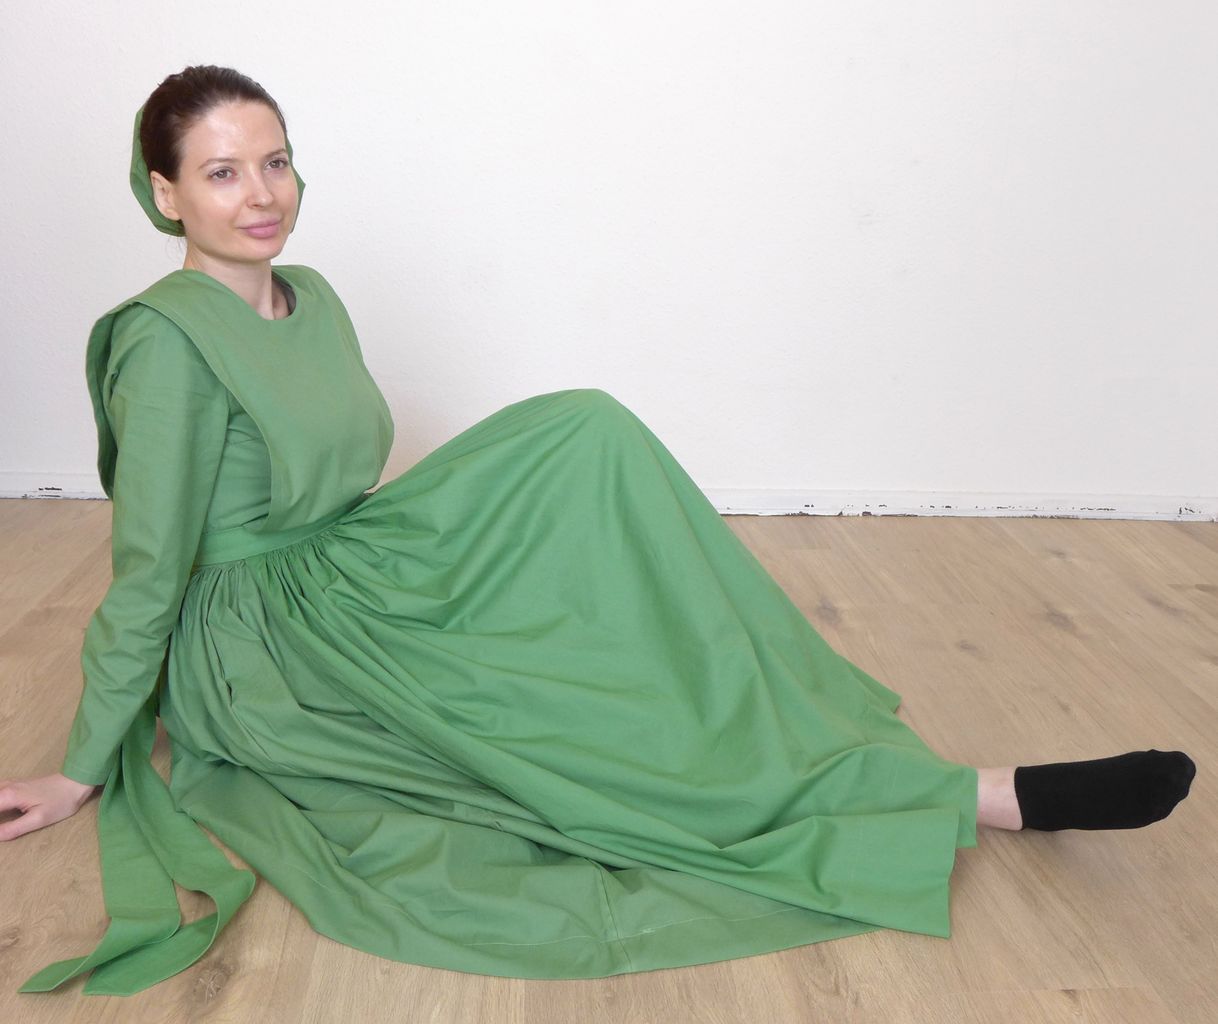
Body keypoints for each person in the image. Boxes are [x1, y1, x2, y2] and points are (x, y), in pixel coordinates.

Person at [2, 65, 1195, 997]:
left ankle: (885, 768)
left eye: (276, 162)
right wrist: (83, 758)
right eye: (221, 174)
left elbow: (338, 480)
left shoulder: (312, 296)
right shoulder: (165, 342)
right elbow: (149, 567)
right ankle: (973, 798)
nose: (260, 195)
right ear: (164, 193)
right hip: (259, 641)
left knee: (583, 438)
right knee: (543, 734)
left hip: (347, 567)